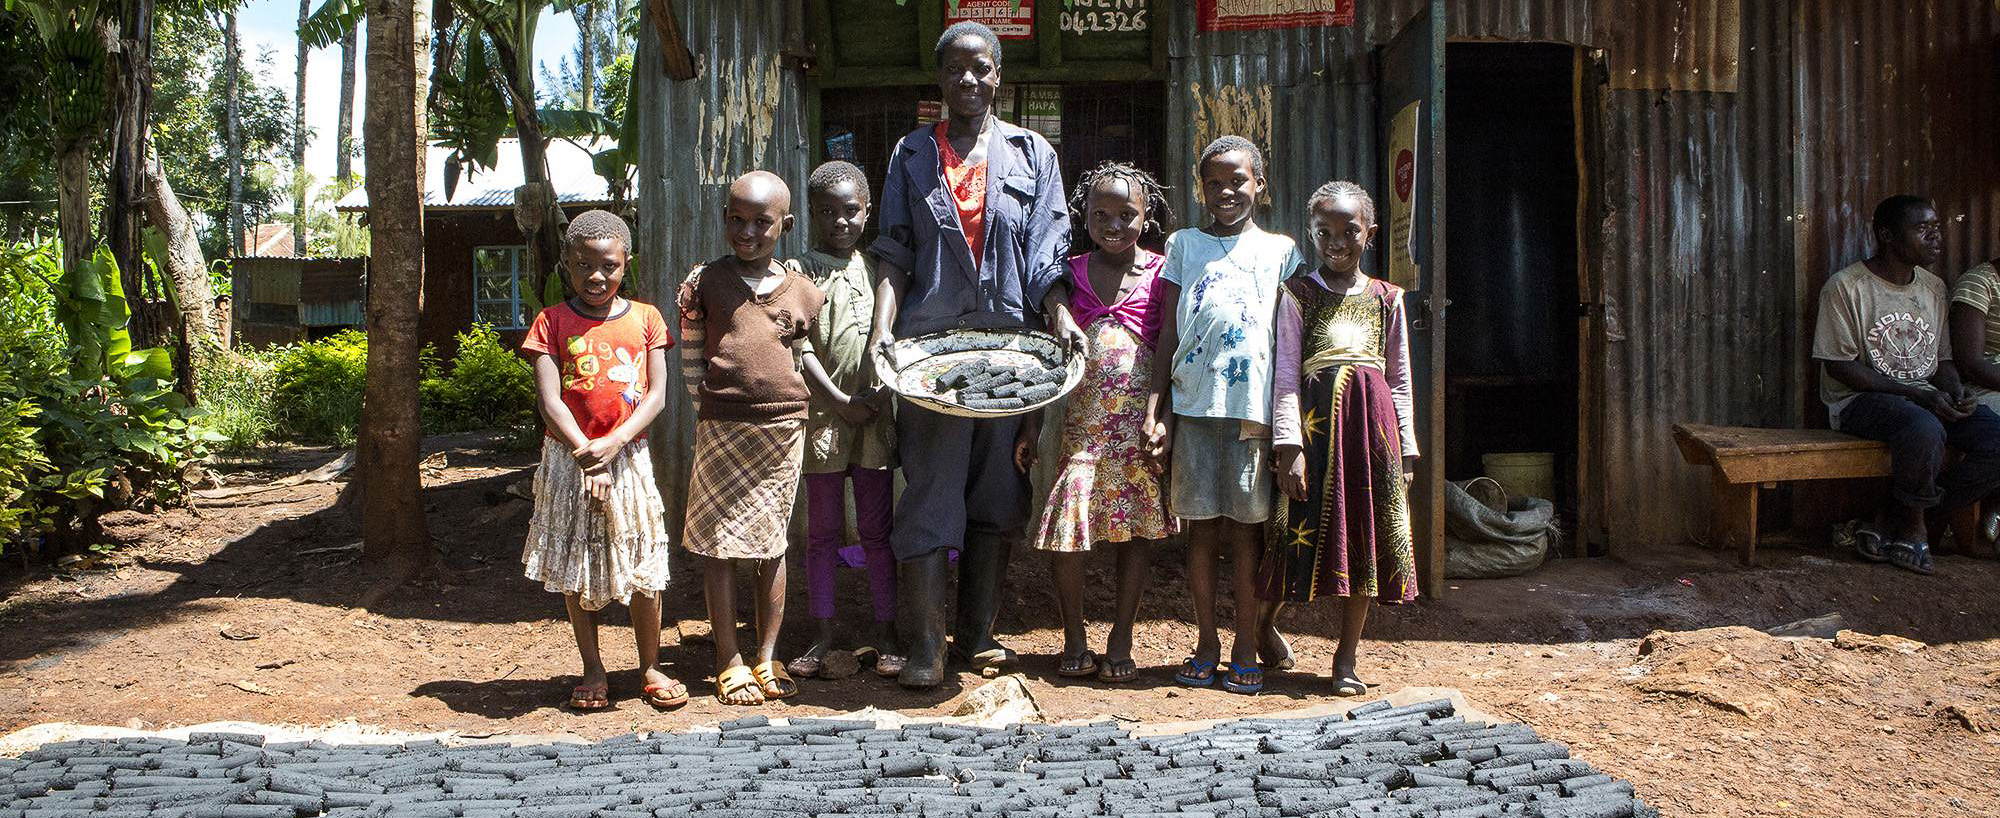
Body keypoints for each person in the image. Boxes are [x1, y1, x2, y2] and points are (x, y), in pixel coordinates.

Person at [867, 20, 1084, 689]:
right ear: (939, 79)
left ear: (999, 77)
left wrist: (1064, 319)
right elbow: (895, 254)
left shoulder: (1032, 154)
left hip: (1012, 360)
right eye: (956, 69)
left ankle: (978, 637)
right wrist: (882, 334)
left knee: (998, 492)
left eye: (982, 68)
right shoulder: (911, 154)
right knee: (930, 494)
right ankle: (928, 646)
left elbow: (1049, 257)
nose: (969, 80)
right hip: (932, 360)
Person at [1146, 135, 1307, 695]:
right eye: (1213, 182)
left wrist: (1290, 427)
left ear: (1259, 185)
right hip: (1193, 406)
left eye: (1237, 180)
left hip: (1252, 415)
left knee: (1246, 534)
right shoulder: (1184, 245)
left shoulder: (1283, 251)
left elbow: (1291, 342)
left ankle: (1244, 644)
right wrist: (1157, 407)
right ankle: (1206, 641)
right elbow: (1167, 332)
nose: (1225, 192)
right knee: (1200, 532)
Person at [519, 210, 684, 712]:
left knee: (645, 563)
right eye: (584, 266)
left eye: (608, 266)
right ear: (567, 264)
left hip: (629, 457)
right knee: (578, 562)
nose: (597, 277)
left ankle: (650, 666)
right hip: (570, 461)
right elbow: (551, 401)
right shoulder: (551, 322)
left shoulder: (647, 319)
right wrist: (588, 456)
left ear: (625, 264)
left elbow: (656, 396)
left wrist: (614, 445)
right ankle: (593, 667)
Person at [1020, 162, 1178, 684]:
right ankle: (1073, 636)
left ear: (1146, 214)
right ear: (1084, 217)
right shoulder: (1071, 274)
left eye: (1126, 214)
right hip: (1083, 430)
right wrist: (1033, 426)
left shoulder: (1163, 272)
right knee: (1070, 532)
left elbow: (1168, 354)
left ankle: (1122, 637)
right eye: (1101, 214)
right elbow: (1051, 358)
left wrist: (1160, 419)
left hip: (1139, 427)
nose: (1114, 224)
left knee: (1136, 536)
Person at [1262, 181, 1418, 698]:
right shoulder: (1298, 295)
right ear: (1311, 235)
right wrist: (1289, 447)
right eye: (1324, 231)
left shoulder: (1387, 299)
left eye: (1349, 230)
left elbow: (1399, 379)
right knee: (1293, 539)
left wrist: (1407, 448)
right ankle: (1265, 625)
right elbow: (1285, 375)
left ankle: (1346, 655)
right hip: (1315, 440)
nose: (1337, 242)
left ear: (1368, 234)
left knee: (1365, 542)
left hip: (1373, 442)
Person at [677, 171, 826, 704]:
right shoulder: (707, 282)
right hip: (721, 427)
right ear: (724, 220)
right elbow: (692, 353)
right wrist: (708, 409)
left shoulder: (804, 290)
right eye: (736, 220)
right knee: (718, 545)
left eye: (761, 222)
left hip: (783, 429)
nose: (747, 232)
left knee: (770, 544)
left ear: (784, 225)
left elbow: (805, 357)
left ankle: (766, 656)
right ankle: (728, 658)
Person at [1815, 194, 2000, 574]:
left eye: (1936, 228)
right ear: (1887, 236)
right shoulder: (1847, 287)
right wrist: (1915, 393)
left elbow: (1943, 361)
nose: (1935, 236)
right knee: (1923, 427)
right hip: (1859, 400)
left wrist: (1953, 389)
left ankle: (1900, 514)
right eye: (1922, 228)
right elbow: (1840, 368)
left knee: (1996, 439)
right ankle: (1915, 529)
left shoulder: (1932, 287)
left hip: (1923, 397)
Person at [787, 160, 904, 681]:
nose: (840, 221)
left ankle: (886, 631)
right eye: (827, 212)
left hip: (874, 419)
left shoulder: (879, 267)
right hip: (824, 418)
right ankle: (824, 633)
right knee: (824, 531)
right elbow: (798, 344)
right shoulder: (800, 272)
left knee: (878, 530)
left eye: (850, 210)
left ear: (867, 210)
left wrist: (873, 396)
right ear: (811, 215)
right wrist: (836, 398)